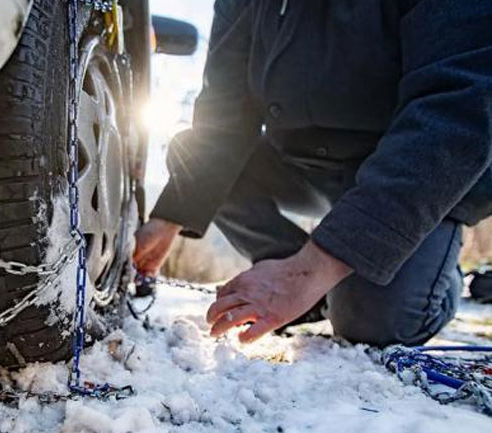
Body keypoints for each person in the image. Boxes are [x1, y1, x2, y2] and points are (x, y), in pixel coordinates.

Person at [133, 0, 492, 347]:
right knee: (192, 152)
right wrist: (170, 217)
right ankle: (300, 279)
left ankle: (433, 273)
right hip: (301, 163)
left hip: (405, 170)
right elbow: (224, 114)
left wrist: (309, 271)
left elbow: (456, 109)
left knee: (374, 322)